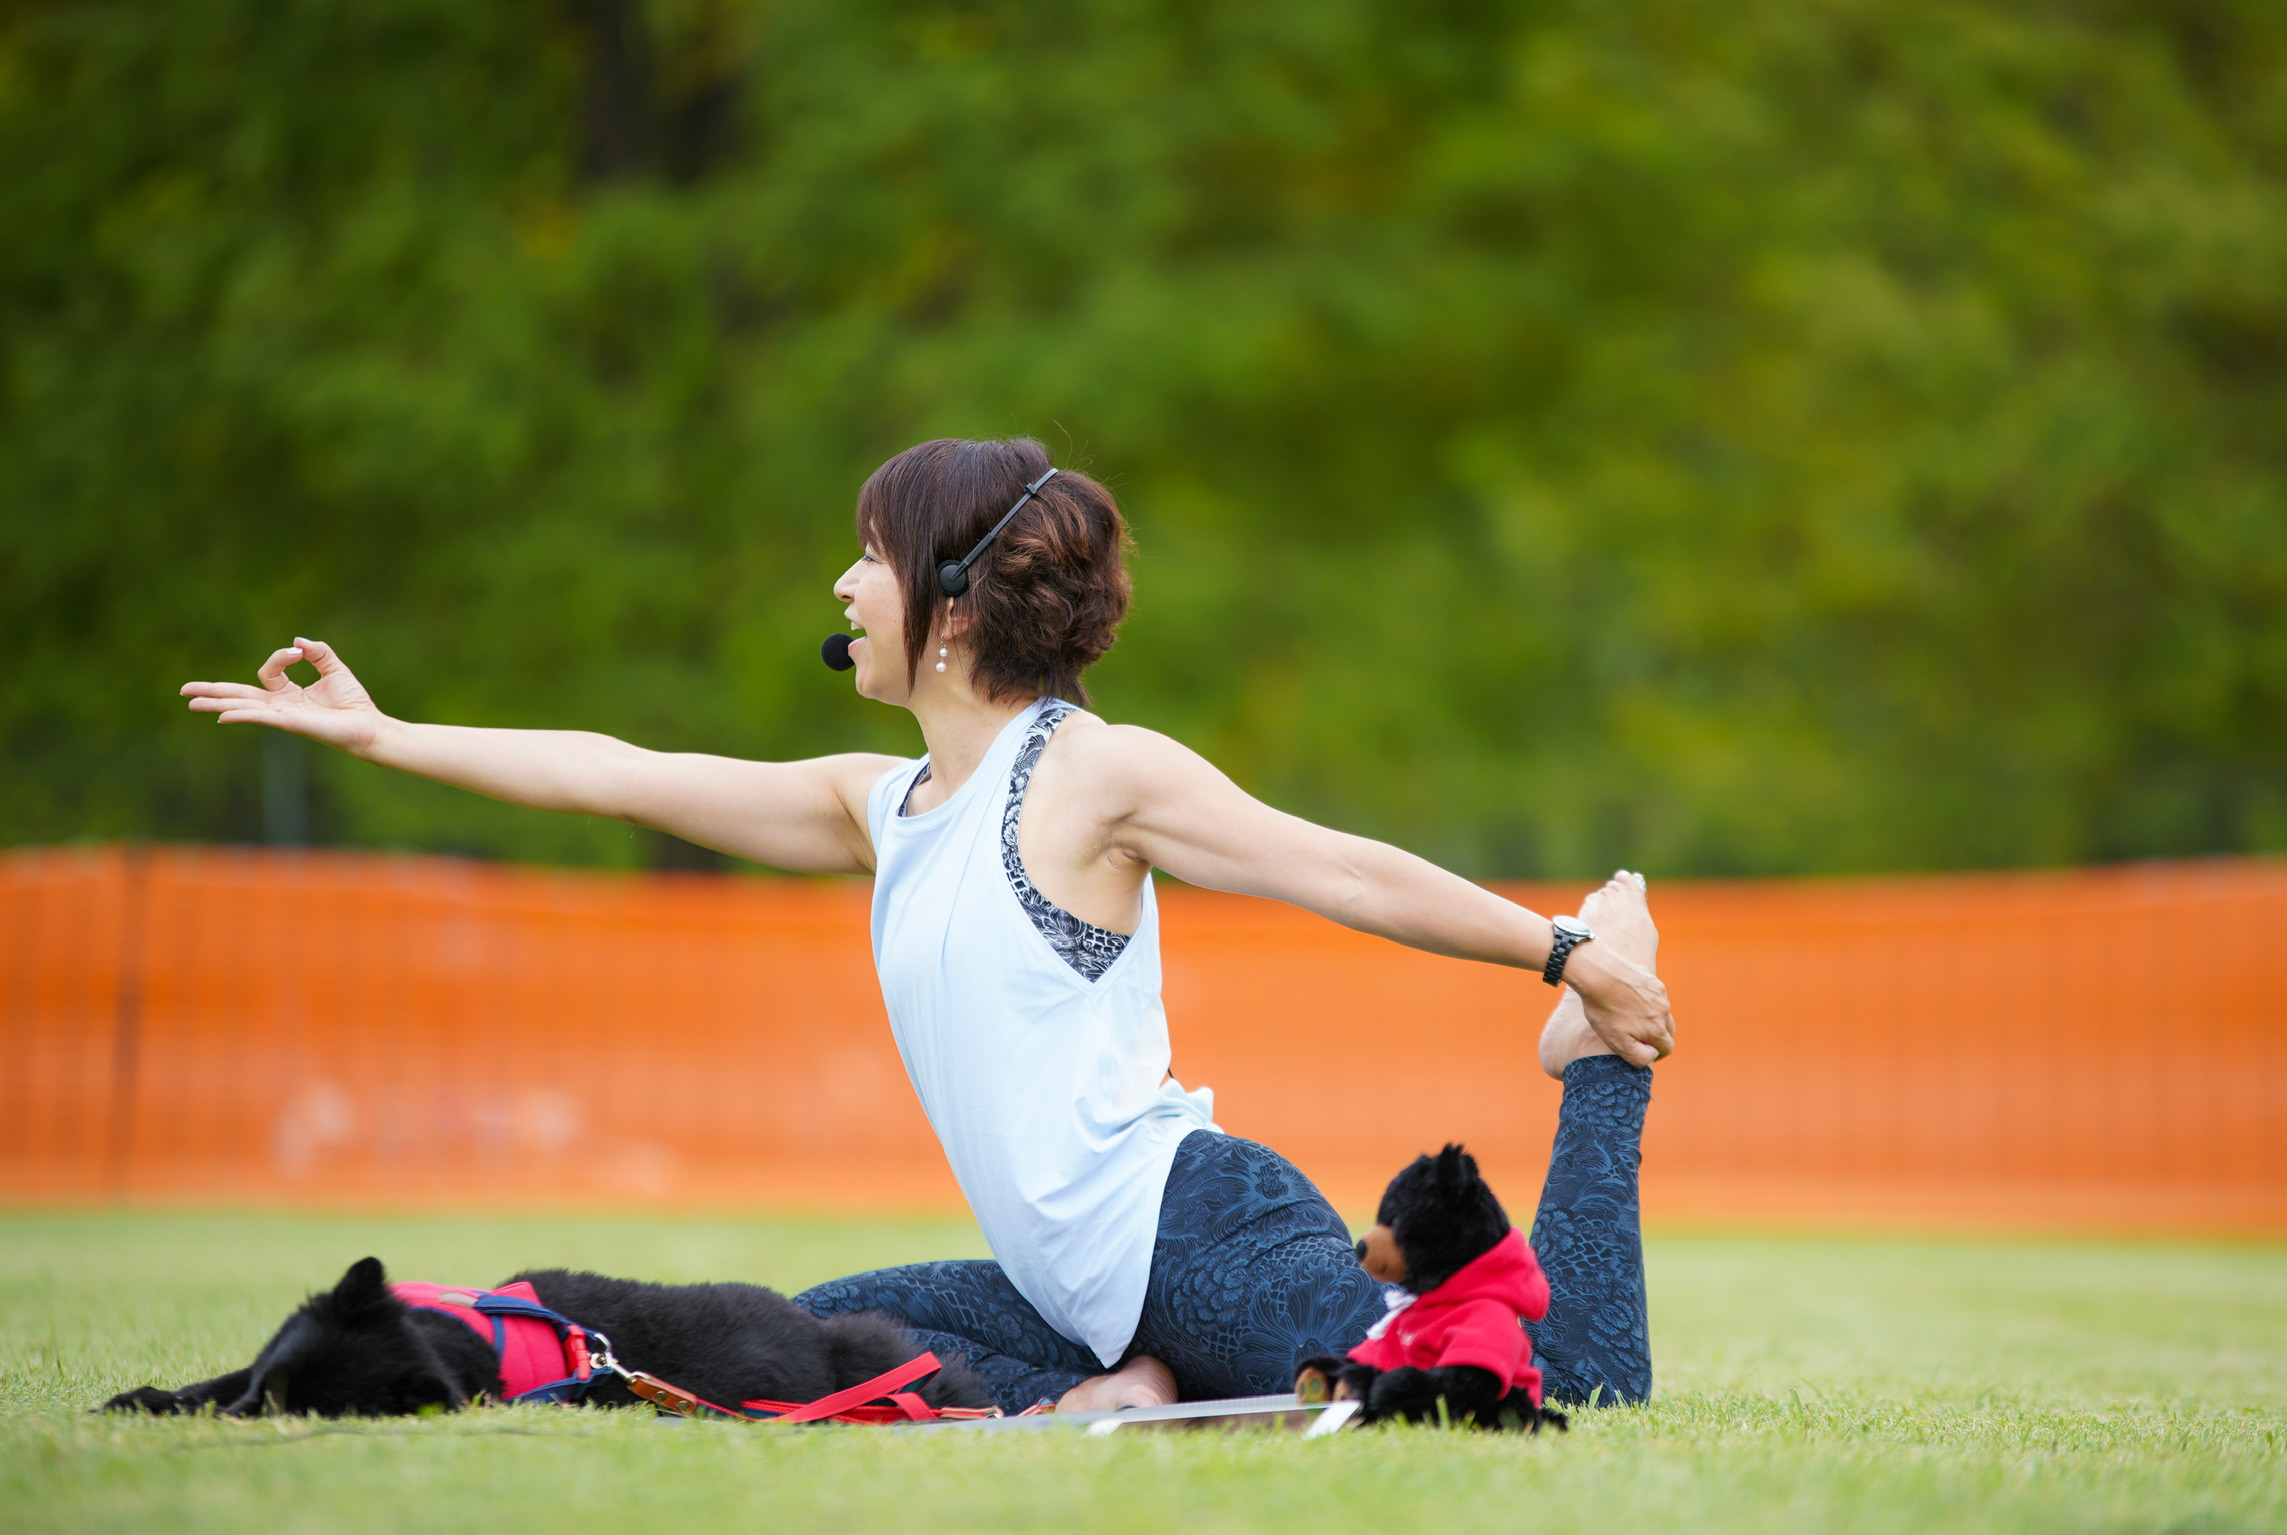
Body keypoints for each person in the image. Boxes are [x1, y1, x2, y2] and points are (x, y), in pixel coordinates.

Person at [180, 436, 1674, 1414]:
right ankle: (1117, 1391)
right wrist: (387, 738)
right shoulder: (874, 806)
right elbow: (623, 775)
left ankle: (1597, 1068)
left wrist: (1564, 952)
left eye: (868, 558)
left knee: (1563, 1392)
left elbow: (1336, 868)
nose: (839, 583)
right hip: (1063, 1289)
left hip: (1195, 1238)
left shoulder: (1089, 773)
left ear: (949, 609)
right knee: (778, 1349)